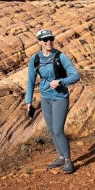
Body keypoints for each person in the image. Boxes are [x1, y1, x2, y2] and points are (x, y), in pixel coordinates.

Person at [25, 29, 81, 173]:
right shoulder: (35, 59)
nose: (49, 42)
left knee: (58, 130)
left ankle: (68, 161)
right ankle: (60, 157)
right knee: (51, 130)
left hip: (60, 97)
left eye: (51, 39)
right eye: (45, 40)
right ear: (39, 42)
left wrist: (60, 82)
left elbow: (76, 75)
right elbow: (31, 80)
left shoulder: (60, 56)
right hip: (45, 98)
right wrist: (28, 101)